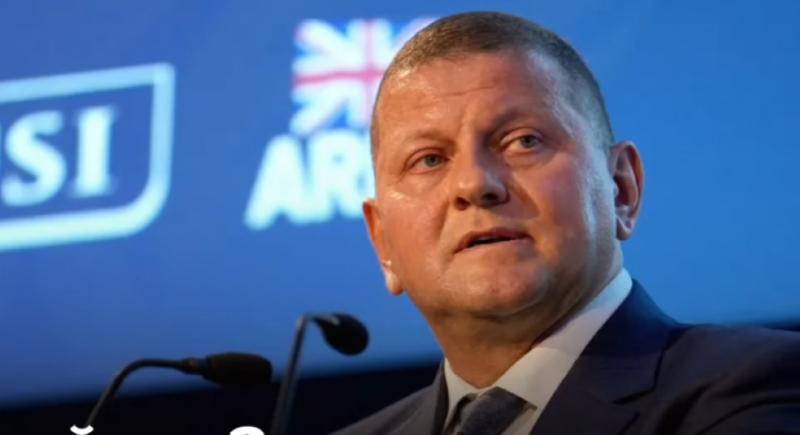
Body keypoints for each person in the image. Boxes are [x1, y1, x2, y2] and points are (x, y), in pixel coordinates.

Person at [334, 11, 800, 435]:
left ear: (621, 189)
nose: (474, 184)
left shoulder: (759, 385)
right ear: (382, 242)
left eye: (523, 141)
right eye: (429, 159)